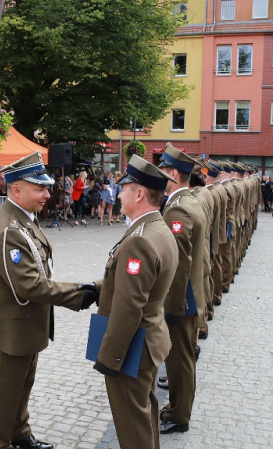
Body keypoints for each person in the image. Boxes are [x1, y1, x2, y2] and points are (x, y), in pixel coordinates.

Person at [0, 151, 97, 449]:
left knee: (20, 389)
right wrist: (77, 294)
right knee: (2, 398)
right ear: (16, 189)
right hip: (10, 330)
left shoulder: (23, 220)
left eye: (45, 187)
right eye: (40, 188)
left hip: (25, 326)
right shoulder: (10, 230)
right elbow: (30, 286)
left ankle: (20, 435)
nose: (47, 194)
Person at [89, 155, 178, 449]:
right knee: (144, 415)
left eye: (124, 187)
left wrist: (109, 358)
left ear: (139, 193)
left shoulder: (140, 239)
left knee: (132, 427)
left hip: (133, 347)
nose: (118, 192)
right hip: (150, 339)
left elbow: (129, 308)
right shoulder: (158, 228)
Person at [156, 144, 208, 435]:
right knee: (183, 358)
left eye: (163, 170)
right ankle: (178, 410)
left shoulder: (177, 208)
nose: (160, 175)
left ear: (173, 173)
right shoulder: (189, 201)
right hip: (192, 294)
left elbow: (178, 264)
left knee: (179, 362)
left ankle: (178, 414)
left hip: (182, 298)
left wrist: (172, 308)